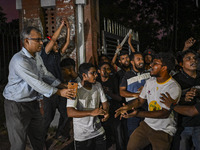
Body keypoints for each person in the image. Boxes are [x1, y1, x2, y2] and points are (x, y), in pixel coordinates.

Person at [3, 26, 74, 150]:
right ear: (26, 41)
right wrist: (59, 92)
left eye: (41, 39)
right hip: (16, 105)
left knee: (38, 138)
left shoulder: (37, 57)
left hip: (32, 103)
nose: (41, 42)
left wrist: (61, 84)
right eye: (38, 40)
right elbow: (36, 83)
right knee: (19, 143)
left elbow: (45, 74)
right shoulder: (19, 60)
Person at [115, 52, 181, 150]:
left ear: (164, 68)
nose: (150, 65)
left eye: (155, 63)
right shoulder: (150, 82)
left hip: (163, 130)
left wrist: (138, 114)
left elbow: (164, 113)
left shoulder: (173, 87)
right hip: (147, 125)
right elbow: (140, 101)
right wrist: (127, 107)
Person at [161, 49, 200, 150]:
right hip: (182, 125)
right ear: (181, 64)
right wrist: (183, 98)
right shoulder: (174, 80)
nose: (193, 61)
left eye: (195, 58)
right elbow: (167, 101)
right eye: (188, 59)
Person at [40, 18, 71, 140]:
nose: (55, 44)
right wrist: (61, 25)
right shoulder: (45, 54)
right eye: (54, 43)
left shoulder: (57, 55)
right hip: (49, 89)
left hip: (60, 87)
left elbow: (67, 43)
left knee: (66, 114)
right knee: (48, 117)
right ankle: (40, 139)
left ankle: (59, 133)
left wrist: (68, 28)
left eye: (57, 43)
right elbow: (52, 39)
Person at [67, 63, 109, 150]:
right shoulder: (74, 88)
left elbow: (105, 102)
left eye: (95, 73)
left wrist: (106, 112)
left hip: (98, 131)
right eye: (92, 73)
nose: (96, 75)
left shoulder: (97, 85)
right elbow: (70, 112)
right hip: (82, 135)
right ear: (84, 75)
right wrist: (91, 112)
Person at [120, 52, 150, 137]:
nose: (141, 61)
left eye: (142, 59)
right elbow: (122, 92)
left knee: (147, 135)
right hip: (132, 109)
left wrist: (145, 90)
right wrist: (137, 95)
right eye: (138, 59)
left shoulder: (149, 74)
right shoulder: (126, 76)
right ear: (132, 62)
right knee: (133, 135)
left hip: (147, 109)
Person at [97, 62, 125, 150]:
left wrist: (108, 92)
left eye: (108, 69)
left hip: (114, 110)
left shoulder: (114, 80)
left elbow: (120, 98)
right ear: (98, 71)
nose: (106, 71)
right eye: (103, 69)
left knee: (118, 135)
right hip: (102, 113)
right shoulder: (97, 82)